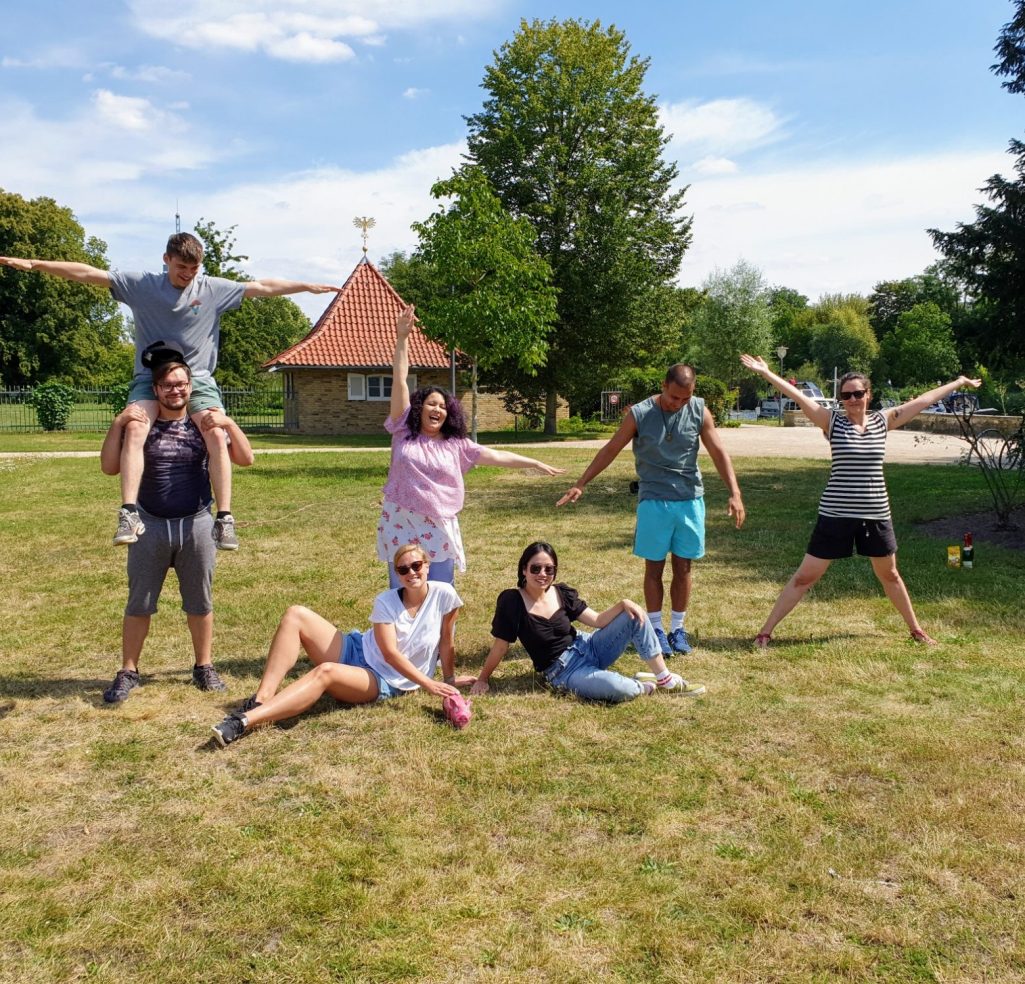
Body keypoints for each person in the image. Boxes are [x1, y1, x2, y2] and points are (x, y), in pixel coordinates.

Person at [1, 235, 338, 550]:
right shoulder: (143, 285)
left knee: (217, 434)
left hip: (198, 379)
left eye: (194, 269)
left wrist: (305, 287)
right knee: (134, 426)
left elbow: (263, 286)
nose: (188, 275)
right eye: (181, 268)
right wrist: (36, 264)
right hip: (151, 377)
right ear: (167, 260)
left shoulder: (211, 289)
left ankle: (224, 518)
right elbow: (89, 273)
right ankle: (129, 513)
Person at [739, 354, 982, 646]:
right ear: (840, 399)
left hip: (876, 514)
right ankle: (765, 632)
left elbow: (923, 402)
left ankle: (917, 631)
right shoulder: (832, 421)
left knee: (890, 574)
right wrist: (767, 373)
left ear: (869, 394)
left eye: (858, 393)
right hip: (835, 514)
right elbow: (798, 396)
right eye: (846, 395)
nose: (852, 399)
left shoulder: (883, 421)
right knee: (805, 577)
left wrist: (958, 381)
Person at [557, 365, 745, 657]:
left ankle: (678, 629)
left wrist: (735, 492)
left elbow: (719, 452)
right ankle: (656, 628)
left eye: (685, 398)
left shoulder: (699, 411)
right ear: (663, 386)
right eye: (673, 397)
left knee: (684, 568)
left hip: (689, 499)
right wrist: (582, 482)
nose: (679, 404)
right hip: (654, 500)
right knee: (654, 567)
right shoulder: (640, 414)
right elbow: (611, 448)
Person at [99, 355, 254, 703]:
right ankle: (128, 670)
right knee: (139, 603)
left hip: (195, 524)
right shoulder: (142, 424)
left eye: (181, 384)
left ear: (190, 387)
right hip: (149, 524)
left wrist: (228, 423)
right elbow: (109, 466)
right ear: (155, 389)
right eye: (168, 385)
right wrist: (119, 422)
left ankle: (204, 666)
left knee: (200, 602)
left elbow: (245, 458)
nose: (175, 390)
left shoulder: (203, 426)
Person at [378, 305, 565, 587]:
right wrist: (402, 337)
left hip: (437, 524)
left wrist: (533, 462)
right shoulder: (403, 429)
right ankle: (402, 632)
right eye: (431, 404)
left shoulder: (456, 445)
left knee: (441, 589)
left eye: (442, 406)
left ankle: (443, 633)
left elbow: (497, 455)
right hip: (401, 520)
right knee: (403, 589)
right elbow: (400, 380)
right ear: (419, 408)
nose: (437, 410)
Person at [210, 544, 467, 746]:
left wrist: (448, 678)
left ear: (427, 566)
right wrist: (429, 684)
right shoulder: (386, 601)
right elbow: (388, 652)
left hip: (384, 679)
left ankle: (243, 722)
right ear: (397, 574)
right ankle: (262, 698)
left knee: (326, 672)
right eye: (403, 569)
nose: (411, 573)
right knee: (295, 614)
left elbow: (446, 641)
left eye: (416, 565)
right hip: (356, 649)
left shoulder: (445, 595)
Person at [470, 541, 706, 701]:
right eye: (536, 568)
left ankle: (665, 679)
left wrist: (624, 603)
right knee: (621, 690)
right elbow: (501, 645)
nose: (543, 574)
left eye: (549, 569)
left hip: (590, 646)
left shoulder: (562, 592)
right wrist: (483, 679)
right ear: (524, 569)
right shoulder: (512, 601)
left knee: (634, 614)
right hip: (564, 671)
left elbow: (597, 620)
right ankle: (642, 684)